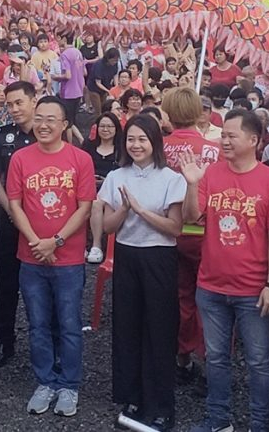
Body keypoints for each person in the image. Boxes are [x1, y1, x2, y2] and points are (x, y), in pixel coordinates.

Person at [179, 109, 269, 432]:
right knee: (215, 358)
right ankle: (218, 421)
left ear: (254, 140)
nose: (224, 140)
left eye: (231, 135)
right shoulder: (211, 174)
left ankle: (259, 423)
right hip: (211, 285)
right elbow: (191, 218)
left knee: (258, 361)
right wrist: (191, 185)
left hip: (253, 288)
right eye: (222, 135)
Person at [6, 96, 95, 418]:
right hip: (30, 256)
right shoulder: (20, 158)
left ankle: (69, 385)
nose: (43, 125)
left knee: (70, 324)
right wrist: (35, 241)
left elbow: (84, 206)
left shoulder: (80, 159)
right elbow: (15, 204)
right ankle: (45, 381)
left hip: (68, 258)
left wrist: (55, 241)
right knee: (37, 324)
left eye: (51, 119)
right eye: (39, 118)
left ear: (64, 125)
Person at [100, 115, 185, 431]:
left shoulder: (170, 178)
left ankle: (162, 404)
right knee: (127, 326)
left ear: (155, 143)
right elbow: (108, 226)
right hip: (127, 255)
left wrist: (141, 211)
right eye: (131, 139)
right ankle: (132, 396)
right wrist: (124, 209)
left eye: (142, 139)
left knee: (159, 330)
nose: (136, 145)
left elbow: (175, 228)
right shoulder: (116, 176)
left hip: (159, 257)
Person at [160, 87, 220, 380]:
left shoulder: (158, 147)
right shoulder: (214, 150)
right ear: (198, 112)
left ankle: (181, 356)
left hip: (167, 234)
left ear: (168, 113)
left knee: (180, 297)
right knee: (211, 300)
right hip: (205, 234)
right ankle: (211, 360)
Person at [0, 80, 38, 367]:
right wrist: (12, 211)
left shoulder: (52, 133)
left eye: (19, 102)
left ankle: (43, 344)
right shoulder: (4, 136)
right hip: (9, 223)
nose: (15, 109)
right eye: (9, 104)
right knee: (6, 286)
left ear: (33, 101)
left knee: (41, 288)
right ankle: (4, 341)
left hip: (43, 225)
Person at [83, 113, 123, 264]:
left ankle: (96, 245)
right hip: (89, 186)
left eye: (110, 126)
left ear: (116, 129)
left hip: (112, 189)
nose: (106, 129)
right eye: (102, 126)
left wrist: (108, 181)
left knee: (96, 203)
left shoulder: (122, 149)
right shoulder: (88, 147)